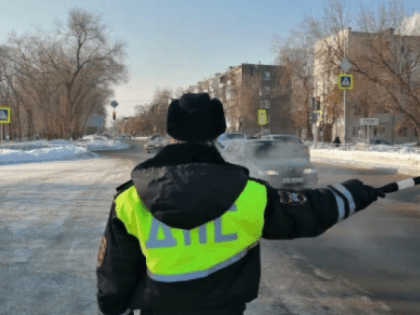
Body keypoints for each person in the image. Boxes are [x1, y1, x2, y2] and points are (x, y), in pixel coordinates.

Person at [96, 93, 385, 315]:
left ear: (171, 133)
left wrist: (115, 307)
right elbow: (309, 211)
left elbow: (114, 272)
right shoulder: (249, 193)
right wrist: (357, 193)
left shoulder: (130, 198)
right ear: (217, 135)